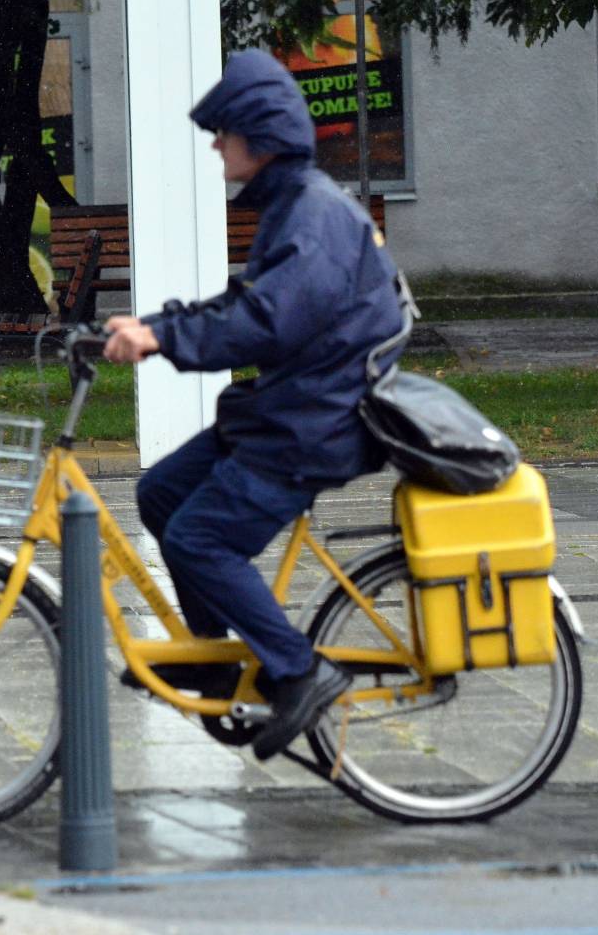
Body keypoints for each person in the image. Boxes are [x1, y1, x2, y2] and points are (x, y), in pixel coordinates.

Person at [102, 49, 406, 761]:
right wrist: (156, 325)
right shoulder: (291, 206)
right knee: (161, 494)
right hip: (285, 411)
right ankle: (215, 659)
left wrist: (160, 340)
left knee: (198, 540)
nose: (214, 145)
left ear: (258, 136)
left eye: (224, 132)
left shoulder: (314, 217)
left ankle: (300, 669)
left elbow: (266, 321)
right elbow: (248, 304)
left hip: (315, 426)